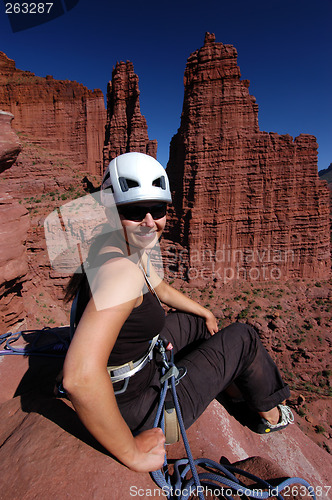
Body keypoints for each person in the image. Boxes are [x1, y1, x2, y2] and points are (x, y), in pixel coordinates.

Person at [62, 152, 293, 474]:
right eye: (133, 211)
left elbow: (160, 288)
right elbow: (79, 378)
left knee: (195, 323)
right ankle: (268, 415)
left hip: (132, 376)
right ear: (110, 211)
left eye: (157, 209)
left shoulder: (118, 244)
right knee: (243, 336)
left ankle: (229, 385)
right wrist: (133, 452)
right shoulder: (121, 273)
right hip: (138, 407)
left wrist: (206, 311)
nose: (148, 221)